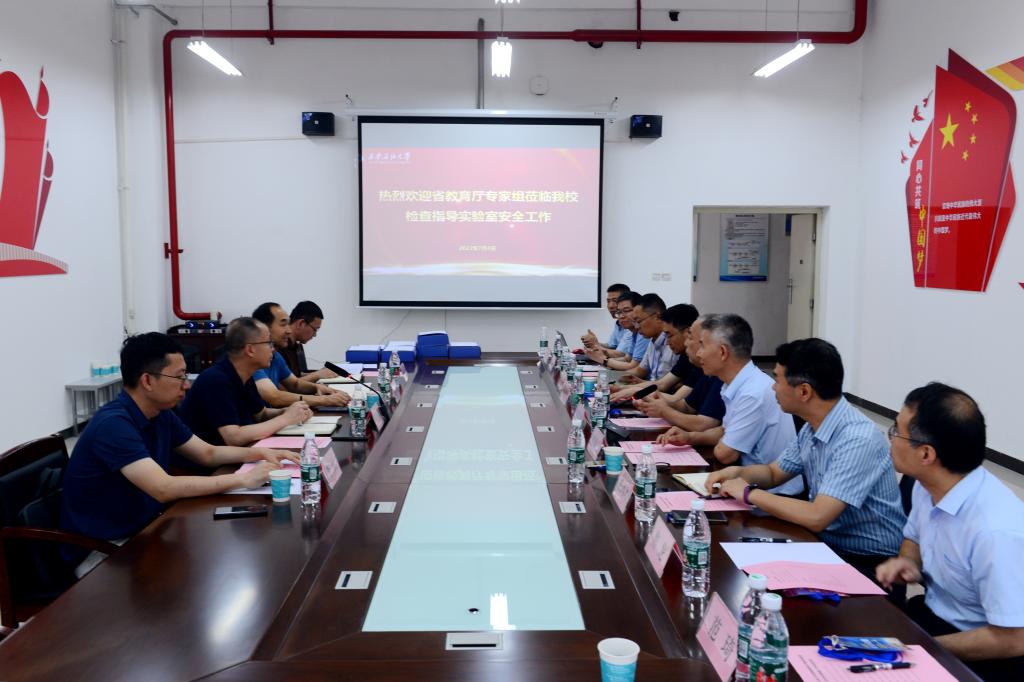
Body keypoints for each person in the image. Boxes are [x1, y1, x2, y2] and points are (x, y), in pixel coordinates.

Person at [61, 332, 298, 575]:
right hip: (104, 548)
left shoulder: (160, 412)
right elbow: (163, 488)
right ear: (147, 381)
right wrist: (244, 479)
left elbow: (207, 453)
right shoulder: (113, 425)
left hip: (146, 526)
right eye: (179, 376)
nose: (186, 384)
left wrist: (261, 453)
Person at [706, 338, 905, 578]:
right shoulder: (812, 426)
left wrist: (749, 493)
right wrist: (738, 474)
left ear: (804, 391)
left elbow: (817, 516)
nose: (773, 388)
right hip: (825, 544)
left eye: (777, 380)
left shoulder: (857, 438)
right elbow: (774, 473)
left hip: (869, 564)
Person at [876, 383, 1024, 680]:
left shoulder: (996, 531)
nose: (889, 438)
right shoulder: (926, 484)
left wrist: (923, 648)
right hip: (931, 618)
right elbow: (913, 537)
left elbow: (1013, 639)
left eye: (896, 431)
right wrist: (908, 561)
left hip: (988, 655)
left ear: (926, 454)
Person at [696, 313, 802, 495]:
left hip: (775, 493)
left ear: (722, 352)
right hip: (752, 482)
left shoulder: (753, 393)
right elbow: (726, 431)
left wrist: (724, 439)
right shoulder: (736, 383)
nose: (699, 353)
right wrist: (689, 437)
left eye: (702, 346)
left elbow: (725, 453)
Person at [179, 317, 316, 447]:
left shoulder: (245, 376)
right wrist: (285, 419)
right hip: (208, 461)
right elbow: (233, 437)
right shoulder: (216, 380)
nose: (273, 349)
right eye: (268, 343)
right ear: (250, 350)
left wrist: (287, 412)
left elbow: (261, 414)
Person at [251, 302, 349, 408]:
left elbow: (295, 384)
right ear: (263, 328)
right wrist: (324, 400)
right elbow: (275, 396)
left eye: (288, 324)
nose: (289, 330)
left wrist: (317, 388)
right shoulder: (252, 360)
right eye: (283, 324)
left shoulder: (276, 356)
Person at [649, 314, 726, 445]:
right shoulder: (708, 371)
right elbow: (687, 406)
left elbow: (705, 425)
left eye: (690, 338)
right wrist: (659, 401)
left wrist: (664, 411)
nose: (686, 344)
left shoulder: (728, 378)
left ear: (721, 350)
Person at [610, 303, 699, 402]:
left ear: (688, 333)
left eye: (669, 335)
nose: (667, 342)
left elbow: (679, 401)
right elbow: (662, 384)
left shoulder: (699, 362)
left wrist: (637, 392)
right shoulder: (685, 357)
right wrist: (622, 388)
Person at [614, 294, 676, 385]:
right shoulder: (652, 341)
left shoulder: (673, 343)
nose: (636, 327)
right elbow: (640, 370)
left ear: (657, 317)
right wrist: (614, 377)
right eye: (635, 322)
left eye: (639, 321)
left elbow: (672, 385)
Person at [585, 292, 651, 368]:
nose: (621, 316)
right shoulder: (634, 333)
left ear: (638, 310)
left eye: (626, 311)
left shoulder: (643, 333)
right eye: (619, 312)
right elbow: (627, 359)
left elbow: (633, 366)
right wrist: (601, 359)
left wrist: (604, 360)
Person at [281, 300, 336, 382]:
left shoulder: (295, 345)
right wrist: (317, 375)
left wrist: (320, 373)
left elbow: (295, 376)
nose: (315, 335)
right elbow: (286, 386)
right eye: (315, 329)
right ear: (301, 323)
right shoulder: (280, 347)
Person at [582, 283, 630, 350]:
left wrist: (596, 345)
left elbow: (620, 353)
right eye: (608, 301)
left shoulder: (631, 325)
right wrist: (594, 343)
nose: (610, 306)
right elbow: (611, 345)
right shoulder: (618, 323)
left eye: (615, 301)